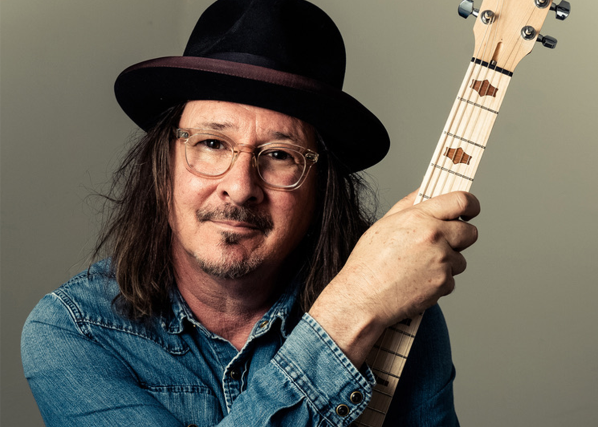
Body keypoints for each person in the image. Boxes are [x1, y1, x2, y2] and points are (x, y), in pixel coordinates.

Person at [21, 0, 479, 426]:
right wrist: (350, 312)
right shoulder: (74, 331)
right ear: (163, 169)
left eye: (280, 155)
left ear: (322, 189)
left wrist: (369, 303)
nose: (240, 188)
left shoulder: (393, 309)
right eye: (212, 143)